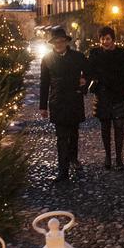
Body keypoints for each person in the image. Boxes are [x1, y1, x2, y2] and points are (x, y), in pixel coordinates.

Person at [39, 27, 88, 182]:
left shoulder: (78, 57)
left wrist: (84, 83)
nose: (59, 44)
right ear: (52, 43)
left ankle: (73, 158)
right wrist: (43, 106)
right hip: (57, 101)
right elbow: (44, 83)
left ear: (66, 41)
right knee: (61, 137)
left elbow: (90, 71)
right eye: (56, 41)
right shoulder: (47, 59)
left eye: (62, 41)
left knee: (73, 133)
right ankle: (63, 171)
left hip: (74, 99)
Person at [87, 26, 124, 170]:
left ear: (112, 39)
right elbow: (89, 71)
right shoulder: (95, 54)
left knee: (119, 128)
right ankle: (108, 156)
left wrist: (118, 83)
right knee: (105, 128)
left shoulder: (121, 53)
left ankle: (119, 158)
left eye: (107, 38)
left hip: (118, 96)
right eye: (102, 39)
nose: (105, 41)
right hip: (103, 96)